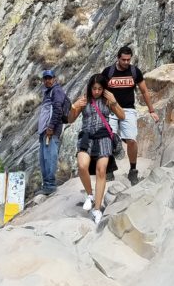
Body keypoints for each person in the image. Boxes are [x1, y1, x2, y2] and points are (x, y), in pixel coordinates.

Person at [68, 74, 125, 225]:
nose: (97, 91)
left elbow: (122, 115)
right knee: (82, 165)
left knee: (101, 171)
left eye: (100, 88)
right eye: (94, 88)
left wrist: (114, 102)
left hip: (104, 136)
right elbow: (70, 119)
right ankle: (90, 195)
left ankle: (97, 209)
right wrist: (74, 107)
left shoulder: (108, 99)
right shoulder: (84, 100)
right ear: (90, 87)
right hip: (86, 137)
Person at [102, 46, 159, 185]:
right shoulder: (108, 72)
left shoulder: (134, 72)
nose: (126, 62)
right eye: (123, 59)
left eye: (128, 59)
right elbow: (99, 90)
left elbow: (144, 91)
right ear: (118, 58)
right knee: (108, 138)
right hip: (111, 110)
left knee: (132, 140)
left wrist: (151, 110)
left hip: (128, 110)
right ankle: (109, 168)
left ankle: (133, 170)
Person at [37, 68, 68, 196]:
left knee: (49, 158)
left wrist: (50, 127)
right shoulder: (48, 93)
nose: (48, 80)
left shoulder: (57, 91)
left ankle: (50, 185)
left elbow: (58, 110)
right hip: (44, 131)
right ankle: (46, 184)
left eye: (50, 78)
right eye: (46, 78)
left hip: (51, 131)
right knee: (43, 158)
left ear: (54, 78)